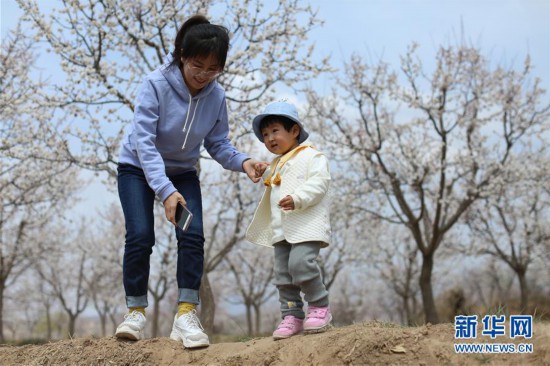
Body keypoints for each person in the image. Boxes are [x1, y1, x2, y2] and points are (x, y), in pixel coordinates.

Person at [115, 15, 263, 348]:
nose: (203, 76)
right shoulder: (155, 84)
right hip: (137, 167)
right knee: (140, 235)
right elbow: (144, 142)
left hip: (182, 170)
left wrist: (245, 161)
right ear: (183, 55)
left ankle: (185, 314)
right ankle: (135, 312)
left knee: (192, 235)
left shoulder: (216, 96)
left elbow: (219, 144)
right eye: (198, 65)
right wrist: (166, 192)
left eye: (213, 69)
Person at [246, 100, 333, 340]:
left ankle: (319, 306)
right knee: (283, 275)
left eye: (275, 131)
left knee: (301, 265)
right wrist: (263, 169)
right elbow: (274, 176)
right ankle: (292, 315)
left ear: (294, 131)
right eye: (265, 135)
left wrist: (298, 198)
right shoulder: (276, 163)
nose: (270, 138)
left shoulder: (312, 156)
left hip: (306, 225)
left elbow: (319, 183)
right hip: (281, 229)